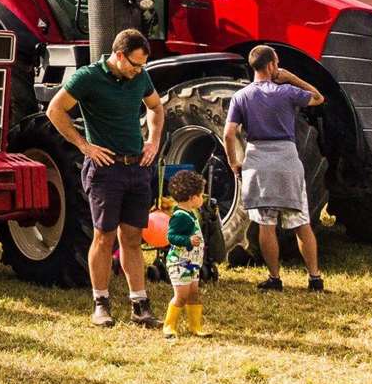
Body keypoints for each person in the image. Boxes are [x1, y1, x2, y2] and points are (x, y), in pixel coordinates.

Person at [47, 28, 164, 328]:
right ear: (119, 55)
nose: (139, 71)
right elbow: (55, 110)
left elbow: (156, 107)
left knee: (133, 238)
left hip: (136, 168)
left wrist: (153, 140)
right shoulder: (87, 77)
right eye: (135, 64)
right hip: (104, 170)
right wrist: (83, 145)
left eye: (142, 66)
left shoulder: (139, 76)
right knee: (104, 236)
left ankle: (140, 304)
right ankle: (101, 303)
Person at [223, 45, 326, 292]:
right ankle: (314, 278)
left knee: (266, 225)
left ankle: (275, 278)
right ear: (271, 65)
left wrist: (233, 161)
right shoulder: (288, 92)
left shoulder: (241, 96)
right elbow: (318, 98)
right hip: (286, 160)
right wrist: (291, 77)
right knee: (302, 223)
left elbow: (229, 133)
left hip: (258, 162)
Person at [162, 169, 212, 339]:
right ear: (192, 198)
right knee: (181, 296)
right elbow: (171, 236)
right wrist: (188, 241)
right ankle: (169, 326)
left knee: (193, 294)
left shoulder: (191, 213)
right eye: (201, 195)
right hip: (180, 263)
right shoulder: (180, 216)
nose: (203, 198)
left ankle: (195, 326)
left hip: (192, 263)